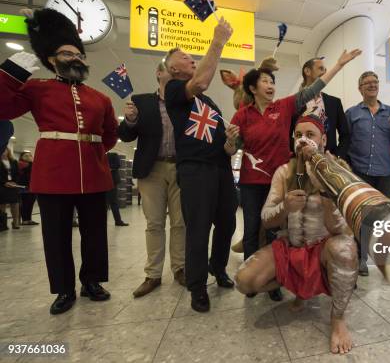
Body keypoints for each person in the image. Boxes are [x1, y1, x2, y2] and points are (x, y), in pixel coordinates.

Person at [0, 8, 118, 314]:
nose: (76, 58)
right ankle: (64, 289)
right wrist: (9, 75)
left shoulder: (100, 98)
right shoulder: (37, 89)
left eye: (80, 54)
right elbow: (3, 108)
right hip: (53, 174)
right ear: (52, 59)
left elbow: (109, 136)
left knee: (95, 234)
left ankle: (92, 281)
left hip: (93, 174)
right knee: (56, 236)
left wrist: (93, 154)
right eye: (68, 53)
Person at [229, 49, 361, 301]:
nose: (271, 85)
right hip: (251, 181)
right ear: (252, 88)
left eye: (272, 81)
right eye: (265, 81)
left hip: (280, 177)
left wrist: (338, 65)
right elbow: (233, 148)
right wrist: (229, 143)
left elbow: (313, 89)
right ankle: (259, 278)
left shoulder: (284, 106)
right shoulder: (242, 115)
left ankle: (281, 281)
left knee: (277, 231)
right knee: (251, 231)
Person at [235, 114, 358, 355]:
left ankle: (338, 319)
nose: (302, 140)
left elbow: (345, 230)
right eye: (298, 135)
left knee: (344, 249)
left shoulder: (339, 170)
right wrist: (285, 208)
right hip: (290, 246)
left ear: (323, 139)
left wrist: (326, 199)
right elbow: (266, 218)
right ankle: (300, 287)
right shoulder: (284, 171)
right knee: (244, 281)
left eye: (309, 135)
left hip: (323, 249)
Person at [163, 18, 236, 313]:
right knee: (198, 228)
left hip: (220, 169)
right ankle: (196, 287)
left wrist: (232, 142)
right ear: (172, 69)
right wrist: (217, 41)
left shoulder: (210, 104)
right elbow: (202, 80)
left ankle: (218, 268)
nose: (190, 59)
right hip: (195, 170)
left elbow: (226, 146)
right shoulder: (174, 90)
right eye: (184, 57)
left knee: (228, 223)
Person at [118, 61, 187, 297]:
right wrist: (130, 120)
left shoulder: (186, 101)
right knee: (154, 223)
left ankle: (180, 268)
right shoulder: (141, 101)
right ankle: (153, 274)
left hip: (181, 168)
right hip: (151, 169)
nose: (175, 72)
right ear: (158, 73)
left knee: (180, 222)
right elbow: (126, 136)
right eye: (170, 69)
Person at [345, 71, 390, 276]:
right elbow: (345, 143)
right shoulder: (351, 113)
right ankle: (360, 259)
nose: (372, 85)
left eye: (375, 82)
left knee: (383, 220)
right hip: (359, 173)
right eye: (367, 83)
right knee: (360, 218)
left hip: (384, 174)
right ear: (360, 88)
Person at [294, 57, 350, 159]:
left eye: (325, 69)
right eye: (321, 68)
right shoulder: (295, 102)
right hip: (301, 162)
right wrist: (297, 154)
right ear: (307, 71)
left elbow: (345, 135)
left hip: (329, 162)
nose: (325, 72)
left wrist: (336, 156)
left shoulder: (334, 103)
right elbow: (286, 135)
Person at [106, 152, 129, 227]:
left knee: (113, 202)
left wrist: (107, 168)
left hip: (112, 181)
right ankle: (102, 222)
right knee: (104, 203)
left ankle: (118, 221)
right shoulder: (99, 154)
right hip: (103, 181)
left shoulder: (113, 155)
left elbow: (118, 165)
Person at [0, 148, 20, 231]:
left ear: (8, 151)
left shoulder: (14, 161)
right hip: (2, 185)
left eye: (5, 150)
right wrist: (4, 182)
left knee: (15, 204)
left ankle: (15, 223)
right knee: (2, 205)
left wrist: (15, 182)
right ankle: (3, 224)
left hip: (13, 185)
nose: (4, 152)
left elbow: (17, 173)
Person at [17, 151, 38, 225]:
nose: (28, 157)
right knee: (25, 204)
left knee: (30, 204)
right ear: (21, 157)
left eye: (29, 155)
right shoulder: (20, 164)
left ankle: (29, 219)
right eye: (26, 155)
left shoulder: (33, 165)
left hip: (32, 187)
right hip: (23, 188)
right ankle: (24, 220)